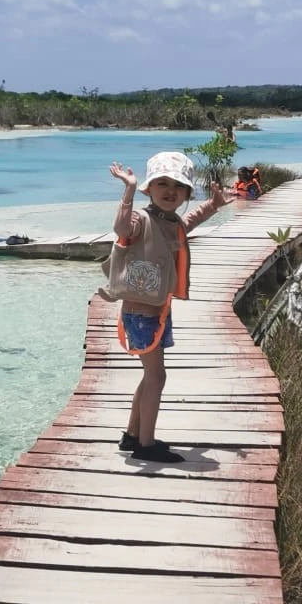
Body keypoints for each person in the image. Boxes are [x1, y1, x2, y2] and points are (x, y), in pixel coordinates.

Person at [101, 151, 227, 463]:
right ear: (149, 188)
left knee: (149, 375)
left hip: (155, 310)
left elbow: (191, 221)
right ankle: (146, 443)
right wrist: (127, 191)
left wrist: (214, 205)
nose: (170, 190)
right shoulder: (142, 219)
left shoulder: (170, 221)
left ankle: (132, 435)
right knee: (157, 377)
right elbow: (121, 229)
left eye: (178, 186)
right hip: (141, 313)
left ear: (186, 193)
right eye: (162, 183)